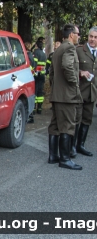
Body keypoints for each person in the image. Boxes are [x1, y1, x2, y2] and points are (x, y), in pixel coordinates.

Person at [47, 24, 83, 170]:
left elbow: (51, 73)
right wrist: (74, 84)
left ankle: (53, 156)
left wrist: (55, 88)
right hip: (66, 96)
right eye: (78, 34)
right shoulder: (69, 48)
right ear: (71, 35)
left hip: (57, 94)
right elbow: (67, 66)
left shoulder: (58, 49)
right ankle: (65, 159)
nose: (79, 36)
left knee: (55, 126)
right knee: (68, 126)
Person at [73, 26, 97, 157]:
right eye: (91, 36)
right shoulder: (79, 51)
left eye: (95, 37)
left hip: (92, 93)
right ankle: (72, 147)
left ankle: (81, 145)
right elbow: (70, 69)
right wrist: (80, 72)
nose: (92, 39)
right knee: (77, 119)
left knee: (87, 120)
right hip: (80, 92)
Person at [33, 40, 47, 114]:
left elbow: (34, 63)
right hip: (42, 75)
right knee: (40, 92)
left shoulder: (36, 52)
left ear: (36, 45)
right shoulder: (44, 54)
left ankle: (34, 109)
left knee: (35, 91)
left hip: (36, 75)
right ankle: (40, 109)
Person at [24, 42, 36, 123]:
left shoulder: (27, 55)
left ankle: (30, 116)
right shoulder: (31, 55)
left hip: (27, 77)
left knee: (28, 96)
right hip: (30, 77)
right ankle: (30, 115)